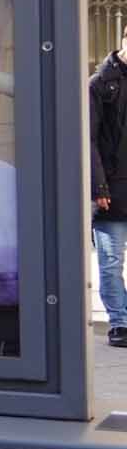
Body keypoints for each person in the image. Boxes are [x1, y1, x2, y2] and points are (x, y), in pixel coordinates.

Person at [90, 26, 127, 347]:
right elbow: (88, 141)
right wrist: (99, 187)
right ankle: (120, 323)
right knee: (111, 261)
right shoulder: (100, 84)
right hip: (111, 191)